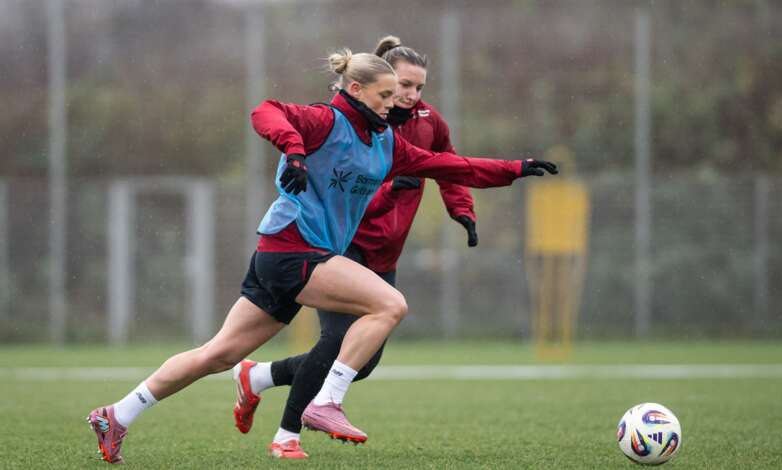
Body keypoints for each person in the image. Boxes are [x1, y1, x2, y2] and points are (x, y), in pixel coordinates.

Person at [87, 46, 557, 464]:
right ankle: (325, 403)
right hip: (294, 250)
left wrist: (514, 168)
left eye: (399, 95)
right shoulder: (324, 121)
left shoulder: (386, 144)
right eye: (386, 95)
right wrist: (293, 151)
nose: (395, 104)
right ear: (355, 88)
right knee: (389, 305)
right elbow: (265, 111)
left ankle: (117, 414)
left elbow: (452, 165)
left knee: (218, 355)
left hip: (283, 256)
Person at [230, 36, 479, 453]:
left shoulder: (428, 122)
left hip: (387, 251)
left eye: (419, 88)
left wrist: (462, 209)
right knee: (335, 343)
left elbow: (449, 166)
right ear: (378, 80)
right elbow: (345, 187)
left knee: (363, 362)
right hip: (344, 245)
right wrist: (294, 152)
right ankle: (287, 436)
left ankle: (258, 377)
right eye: (402, 85)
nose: (410, 95)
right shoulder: (351, 121)